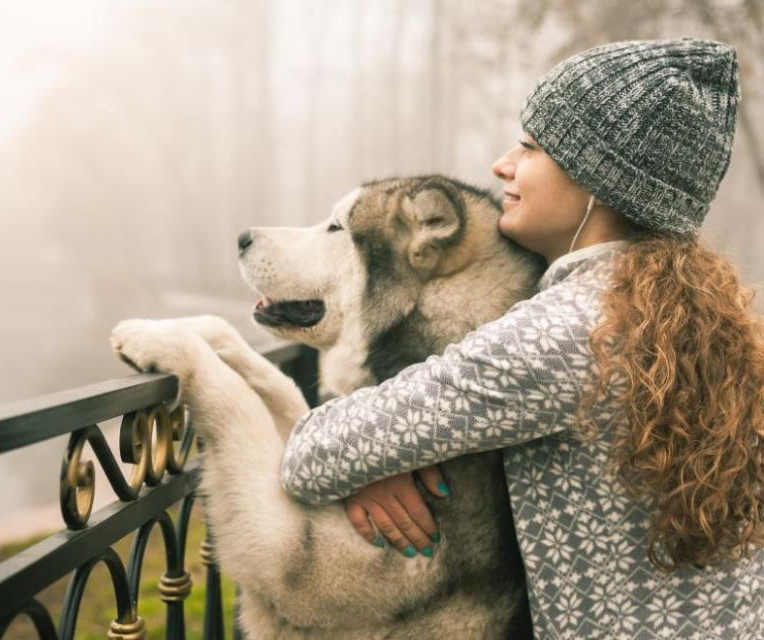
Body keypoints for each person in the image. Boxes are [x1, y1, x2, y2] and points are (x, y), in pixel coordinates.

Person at [279, 38, 764, 638]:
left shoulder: (563, 335)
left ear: (598, 180)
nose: (503, 165)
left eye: (532, 148)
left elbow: (311, 455)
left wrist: (373, 457)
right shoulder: (693, 316)